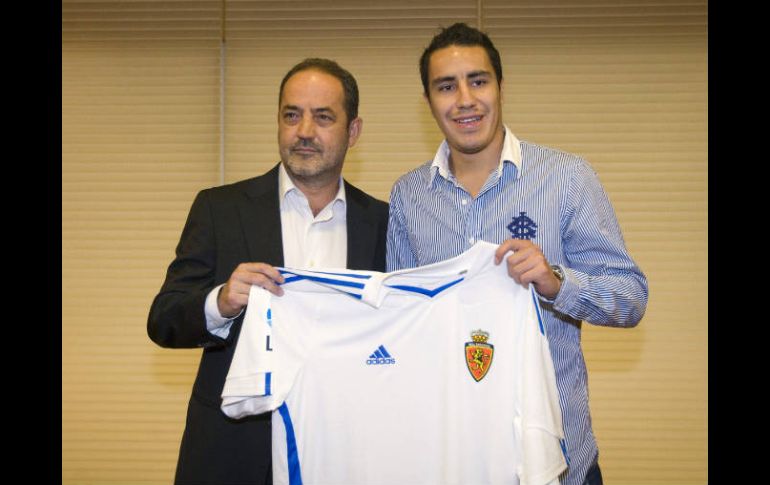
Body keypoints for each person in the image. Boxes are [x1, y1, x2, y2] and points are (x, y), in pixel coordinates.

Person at [386, 23, 648, 485]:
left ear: (501, 87)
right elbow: (401, 325)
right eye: (446, 86)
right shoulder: (409, 197)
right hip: (452, 459)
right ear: (427, 101)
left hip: (561, 460)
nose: (464, 99)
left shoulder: (567, 178)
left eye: (478, 80)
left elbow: (630, 298)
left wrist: (556, 282)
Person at [148, 58, 388, 485]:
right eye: (291, 115)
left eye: (323, 117)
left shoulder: (387, 223)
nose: (304, 132)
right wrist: (219, 302)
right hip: (232, 453)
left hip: (347, 452)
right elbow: (164, 320)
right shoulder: (219, 209)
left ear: (353, 132)